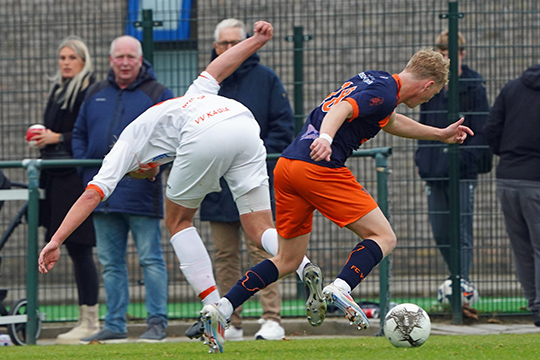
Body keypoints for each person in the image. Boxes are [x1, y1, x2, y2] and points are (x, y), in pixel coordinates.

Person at [38, 21, 311, 347]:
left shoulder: (124, 148)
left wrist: (55, 240)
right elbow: (218, 67)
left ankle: (212, 308)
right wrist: (257, 39)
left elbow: (90, 196)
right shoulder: (184, 99)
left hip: (205, 134)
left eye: (144, 172)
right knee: (257, 225)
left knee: (178, 220)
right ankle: (303, 265)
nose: (151, 174)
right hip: (242, 123)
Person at [199, 48, 474, 353]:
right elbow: (342, 108)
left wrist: (440, 134)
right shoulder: (384, 93)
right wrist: (327, 140)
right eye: (433, 94)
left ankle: (221, 310)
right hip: (318, 167)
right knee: (383, 236)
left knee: (288, 260)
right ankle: (341, 288)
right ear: (428, 85)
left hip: (288, 167)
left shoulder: (380, 83)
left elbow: (392, 122)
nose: (429, 99)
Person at [70, 35, 174, 343]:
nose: (125, 62)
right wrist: (87, 171)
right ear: (111, 59)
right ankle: (114, 323)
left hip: (141, 195)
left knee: (150, 258)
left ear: (141, 60)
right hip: (103, 198)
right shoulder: (95, 93)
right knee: (110, 262)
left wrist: (154, 170)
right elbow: (79, 134)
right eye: (120, 56)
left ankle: (157, 322)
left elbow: (173, 137)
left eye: (131, 56)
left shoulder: (157, 93)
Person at [198, 18, 294, 341]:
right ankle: (232, 320)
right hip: (216, 183)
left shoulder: (266, 79)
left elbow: (283, 126)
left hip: (255, 181)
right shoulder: (209, 82)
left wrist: (259, 160)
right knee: (225, 256)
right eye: (223, 44)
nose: (228, 49)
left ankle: (271, 318)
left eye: (234, 42)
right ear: (215, 47)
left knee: (263, 251)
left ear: (247, 42)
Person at [26, 36, 100, 345]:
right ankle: (84, 316)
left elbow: (85, 134)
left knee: (80, 248)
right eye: (62, 57)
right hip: (55, 176)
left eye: (72, 57)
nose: (66, 62)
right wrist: (43, 138)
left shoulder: (90, 90)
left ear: (83, 60)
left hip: (74, 178)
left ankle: (91, 319)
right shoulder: (58, 91)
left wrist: (56, 138)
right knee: (70, 248)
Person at [414, 31, 490, 286]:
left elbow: (482, 131)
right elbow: (424, 127)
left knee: (461, 230)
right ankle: (455, 278)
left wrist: (463, 158)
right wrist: (423, 159)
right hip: (434, 170)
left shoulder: (474, 87)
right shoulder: (431, 88)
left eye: (451, 55)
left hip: (462, 171)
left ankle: (461, 282)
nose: (447, 60)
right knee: (440, 231)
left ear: (462, 55)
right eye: (442, 55)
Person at [483, 62, 540, 327]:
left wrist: (508, 155)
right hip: (535, 181)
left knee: (522, 250)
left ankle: (534, 306)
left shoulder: (511, 88)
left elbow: (491, 129)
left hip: (507, 178)